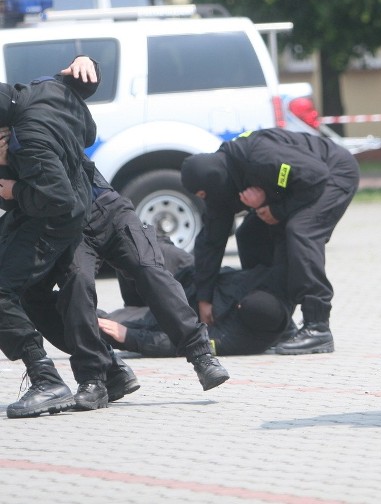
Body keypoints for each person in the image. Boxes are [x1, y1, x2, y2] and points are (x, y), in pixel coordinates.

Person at [18, 56, 230, 397]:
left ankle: (201, 356)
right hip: (68, 227)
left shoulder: (31, 105)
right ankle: (95, 378)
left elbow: (74, 83)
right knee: (77, 288)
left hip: (106, 206)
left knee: (150, 270)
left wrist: (87, 63)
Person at [180, 128, 359, 356]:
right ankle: (279, 318)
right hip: (301, 183)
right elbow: (211, 242)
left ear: (214, 182)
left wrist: (276, 209)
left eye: (204, 194)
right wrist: (204, 298)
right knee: (250, 233)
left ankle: (318, 326)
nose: (205, 200)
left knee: (301, 231)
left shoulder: (260, 157)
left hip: (333, 173)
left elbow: (314, 176)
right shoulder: (221, 182)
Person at [0, 57, 113, 418]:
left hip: (56, 217)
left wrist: (16, 190)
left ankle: (46, 380)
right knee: (29, 294)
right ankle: (111, 369)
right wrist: (88, 63)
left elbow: (56, 198)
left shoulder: (28, 139)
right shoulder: (42, 90)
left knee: (2, 292)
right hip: (59, 206)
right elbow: (77, 87)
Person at [97, 237, 296, 357]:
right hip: (192, 279)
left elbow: (185, 343)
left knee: (102, 326)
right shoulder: (270, 284)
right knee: (139, 244)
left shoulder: (237, 340)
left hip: (172, 316)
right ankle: (137, 299)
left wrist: (130, 338)